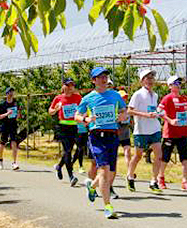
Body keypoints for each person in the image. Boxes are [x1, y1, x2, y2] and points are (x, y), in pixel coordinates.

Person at [75, 66, 127, 219]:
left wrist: (121, 116)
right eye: (100, 77)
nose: (104, 79)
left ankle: (92, 186)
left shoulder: (115, 95)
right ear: (94, 80)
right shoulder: (88, 98)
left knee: (110, 173)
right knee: (103, 169)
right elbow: (77, 115)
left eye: (105, 76)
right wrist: (86, 119)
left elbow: (124, 110)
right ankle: (108, 206)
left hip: (112, 135)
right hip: (96, 136)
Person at [126, 69, 162, 193]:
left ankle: (154, 181)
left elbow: (153, 109)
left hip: (154, 128)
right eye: (147, 78)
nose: (150, 80)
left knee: (159, 155)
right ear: (142, 81)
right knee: (138, 155)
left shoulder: (155, 95)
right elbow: (129, 111)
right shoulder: (138, 94)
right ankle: (130, 176)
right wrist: (145, 115)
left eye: (152, 77)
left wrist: (158, 114)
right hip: (141, 130)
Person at [157, 75, 187, 192]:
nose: (178, 85)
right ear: (170, 86)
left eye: (179, 82)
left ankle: (185, 181)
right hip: (170, 133)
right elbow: (159, 111)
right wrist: (170, 120)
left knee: (185, 157)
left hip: (183, 132)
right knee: (165, 157)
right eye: (175, 83)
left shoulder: (184, 98)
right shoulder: (167, 98)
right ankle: (160, 177)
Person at [49, 78, 81, 187]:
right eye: (68, 85)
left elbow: (83, 108)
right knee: (67, 150)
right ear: (64, 86)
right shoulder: (58, 98)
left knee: (75, 149)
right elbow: (50, 111)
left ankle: (59, 166)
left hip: (74, 127)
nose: (70, 88)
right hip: (62, 127)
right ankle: (71, 176)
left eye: (72, 85)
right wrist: (56, 109)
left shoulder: (77, 97)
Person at [0, 87, 20, 170]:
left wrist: (18, 115)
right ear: (6, 94)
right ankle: (0, 160)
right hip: (5, 125)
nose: (11, 94)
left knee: (14, 142)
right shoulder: (2, 104)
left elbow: (18, 114)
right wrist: (7, 113)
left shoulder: (16, 103)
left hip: (13, 125)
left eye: (12, 92)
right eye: (9, 92)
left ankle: (14, 163)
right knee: (2, 144)